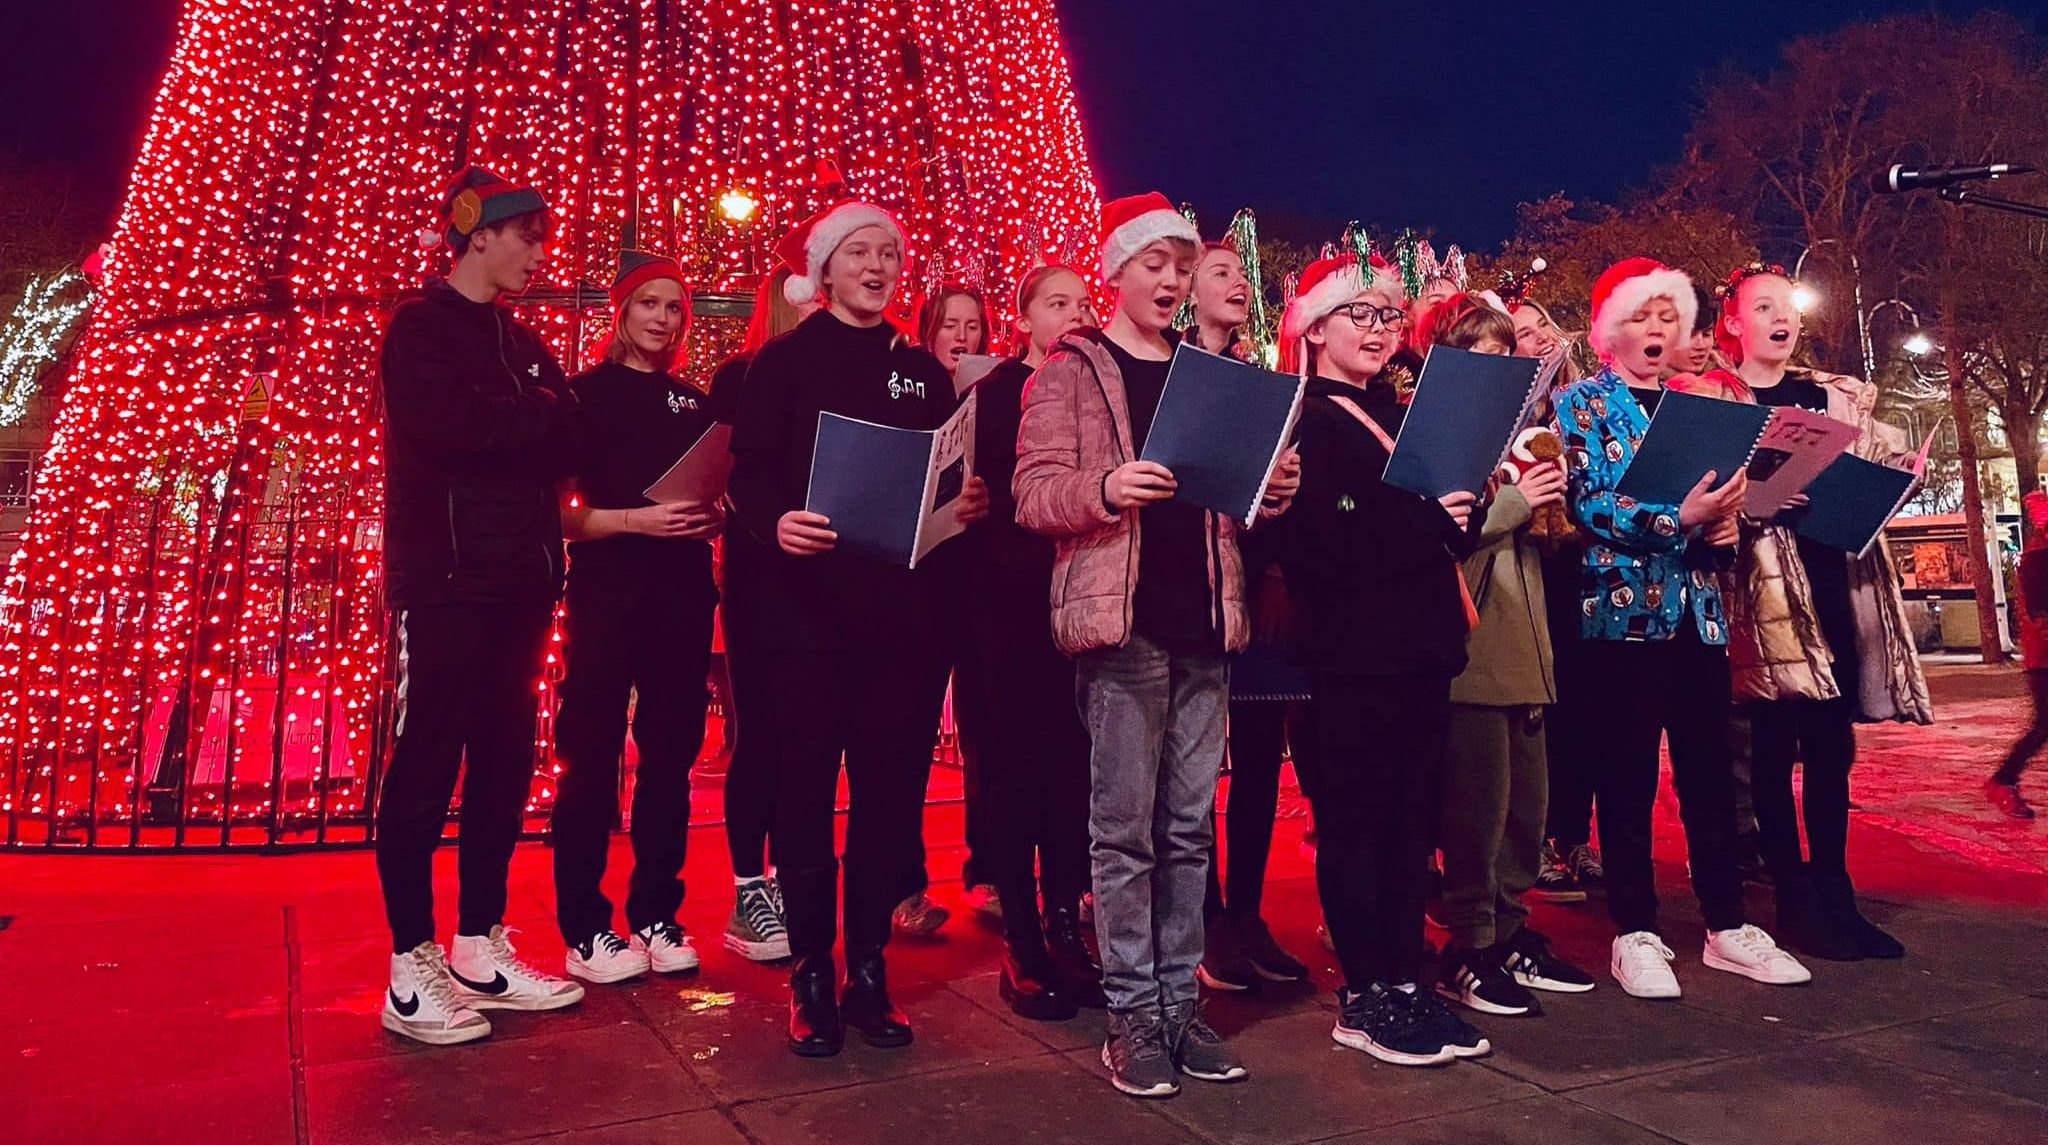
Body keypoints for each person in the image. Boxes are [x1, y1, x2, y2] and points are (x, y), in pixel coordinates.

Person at [1015, 193, 1298, 1098]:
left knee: (1185, 831)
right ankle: (1133, 1015)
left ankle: (1182, 1006)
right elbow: (1034, 493)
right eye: (1157, 266)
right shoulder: (1072, 371)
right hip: (1123, 623)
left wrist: (1270, 486)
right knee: (1123, 831)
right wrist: (1107, 485)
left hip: (1206, 623)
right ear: (1119, 273)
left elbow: (1233, 503)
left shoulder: (1207, 373)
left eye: (1184, 267)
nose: (1172, 281)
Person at [728, 199, 989, 1057]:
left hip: (901, 624)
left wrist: (966, 502)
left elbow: (947, 477)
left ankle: (868, 967)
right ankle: (811, 971)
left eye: (890, 253)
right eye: (860, 252)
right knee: (803, 793)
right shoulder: (783, 363)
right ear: (827, 268)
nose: (878, 265)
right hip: (805, 619)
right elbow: (751, 475)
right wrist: (776, 524)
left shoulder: (922, 371)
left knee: (888, 799)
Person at [1555, 258, 1809, 999]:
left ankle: (1727, 923)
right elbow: (1585, 504)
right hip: (1619, 619)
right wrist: (1678, 519)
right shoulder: (1581, 404)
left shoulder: (1696, 403)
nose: (1660, 327)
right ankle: (1635, 929)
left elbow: (1719, 504)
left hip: (1697, 615)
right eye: (1644, 315)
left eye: (1671, 314)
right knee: (1626, 778)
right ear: (1611, 332)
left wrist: (1721, 527)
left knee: (1708, 777)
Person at [375, 166, 585, 1045]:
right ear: (479, 235)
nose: (539, 251)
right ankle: (408, 962)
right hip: (450, 579)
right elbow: (458, 430)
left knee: (503, 763)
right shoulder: (420, 329)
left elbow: (569, 427)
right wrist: (526, 419)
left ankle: (478, 941)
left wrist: (523, 418)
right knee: (428, 761)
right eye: (527, 235)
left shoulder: (522, 340)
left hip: (522, 580)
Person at [1676, 263, 1931, 958]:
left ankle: (1834, 892)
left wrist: (1901, 473)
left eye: (1787, 307)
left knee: (1831, 748)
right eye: (1763, 307)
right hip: (1764, 598)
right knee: (1770, 751)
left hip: (1835, 585)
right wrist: (1750, 501)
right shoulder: (1716, 399)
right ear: (1733, 321)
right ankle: (1792, 895)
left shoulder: (1830, 397)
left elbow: (1874, 467)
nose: (1781, 318)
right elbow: (1689, 497)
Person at [1271, 257, 1490, 1068]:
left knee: (1410, 821)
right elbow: (1321, 542)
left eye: (1385, 314)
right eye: (1354, 313)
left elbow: (1436, 529)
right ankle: (1366, 990)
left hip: (1421, 643)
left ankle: (1405, 977)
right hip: (1351, 651)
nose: (1374, 327)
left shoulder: (1399, 413)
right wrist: (1428, 519)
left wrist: (1460, 509)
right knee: (1359, 820)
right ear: (1315, 327)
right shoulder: (1304, 418)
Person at [1415, 295, 1599, 1017]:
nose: (1501, 371)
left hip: (1528, 654)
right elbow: (1447, 540)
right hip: (1474, 656)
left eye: (1508, 358)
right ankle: (1473, 941)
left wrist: (1553, 501)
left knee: (1527, 809)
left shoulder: (1519, 436)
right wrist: (1519, 500)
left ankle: (1511, 928)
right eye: (1483, 356)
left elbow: (1535, 540)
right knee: (1476, 814)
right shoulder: (1441, 438)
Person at [548, 250, 723, 984]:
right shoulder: (580, 397)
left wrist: (706, 517)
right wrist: (635, 522)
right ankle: (586, 925)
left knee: (669, 764)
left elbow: (714, 501)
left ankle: (656, 909)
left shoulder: (695, 402)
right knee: (590, 758)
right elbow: (557, 518)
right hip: (607, 594)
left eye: (675, 306)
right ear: (621, 311)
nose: (662, 317)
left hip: (681, 596)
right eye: (649, 303)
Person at [961, 264, 1104, 1020]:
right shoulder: (990, 397)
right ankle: (1021, 937)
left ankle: (1064, 927)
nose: (1075, 314)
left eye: (1083, 303)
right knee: (1015, 775)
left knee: (1072, 777)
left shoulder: (1097, 386)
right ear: (1021, 320)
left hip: (1080, 607)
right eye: (1057, 303)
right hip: (1009, 609)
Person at [1184, 240, 1313, 992]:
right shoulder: (1172, 376)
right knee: (1197, 765)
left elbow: (1276, 496)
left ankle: (1247, 912)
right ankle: (1203, 919)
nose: (1238, 283)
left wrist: (1272, 564)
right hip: (1196, 590)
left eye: (1242, 273)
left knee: (1261, 762)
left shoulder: (1264, 384)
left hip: (1258, 586)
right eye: (1220, 272)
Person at [708, 264, 818, 964]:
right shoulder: (743, 375)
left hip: (827, 579)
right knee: (763, 732)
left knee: (808, 741)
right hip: (759, 574)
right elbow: (727, 474)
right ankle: (753, 884)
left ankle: (792, 876)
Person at [903, 284, 996, 933]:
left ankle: (987, 867)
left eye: (973, 327)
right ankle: (901, 884)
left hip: (982, 586)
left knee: (989, 732)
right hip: (918, 588)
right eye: (949, 326)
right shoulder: (905, 397)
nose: (962, 337)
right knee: (904, 738)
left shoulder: (999, 398)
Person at [1510, 298, 1600, 902]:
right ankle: (1537, 839)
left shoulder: (1582, 405)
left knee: (1582, 708)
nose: (1540, 337)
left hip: (1581, 567)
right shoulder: (1503, 414)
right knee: (1539, 712)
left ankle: (1573, 834)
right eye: (1523, 333)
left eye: (1544, 325)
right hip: (1526, 566)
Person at [1991, 491, 2048, 819]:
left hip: (2042, 655)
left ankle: (2005, 779)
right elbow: (2040, 612)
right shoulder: (2039, 558)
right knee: (2043, 725)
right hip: (2044, 658)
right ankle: (2004, 779)